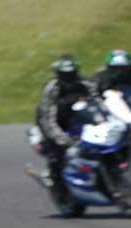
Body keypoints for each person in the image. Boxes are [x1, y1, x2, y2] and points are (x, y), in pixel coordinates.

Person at [36, 54, 97, 185]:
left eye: (72, 74)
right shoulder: (51, 88)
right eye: (65, 75)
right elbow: (46, 118)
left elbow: (99, 102)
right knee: (57, 154)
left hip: (79, 121)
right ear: (58, 74)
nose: (69, 78)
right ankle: (54, 177)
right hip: (56, 123)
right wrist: (61, 138)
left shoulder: (86, 83)